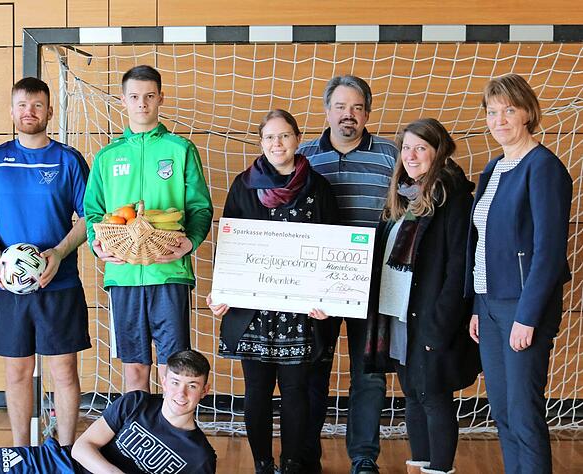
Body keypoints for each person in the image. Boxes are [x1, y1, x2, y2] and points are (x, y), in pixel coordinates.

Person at [206, 109, 339, 474]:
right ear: (261, 142)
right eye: (269, 137)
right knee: (257, 391)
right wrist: (222, 291)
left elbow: (332, 246)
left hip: (300, 312)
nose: (277, 143)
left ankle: (292, 464)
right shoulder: (243, 185)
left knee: (297, 391)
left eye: (284, 136)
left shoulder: (319, 187)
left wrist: (327, 296)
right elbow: (229, 245)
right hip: (254, 311)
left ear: (297, 139)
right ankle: (263, 464)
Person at [0, 76, 91, 447]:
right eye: (22, 105)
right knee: (18, 372)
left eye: (37, 105)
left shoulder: (68, 160)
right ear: (11, 111)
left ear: (49, 111)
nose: (29, 112)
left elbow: (90, 217)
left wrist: (59, 252)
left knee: (63, 372)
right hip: (11, 289)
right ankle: (22, 450)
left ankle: (66, 452)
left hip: (60, 284)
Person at [84, 65, 214, 392]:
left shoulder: (181, 150)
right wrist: (96, 243)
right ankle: (136, 426)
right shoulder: (107, 156)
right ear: (123, 101)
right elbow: (92, 211)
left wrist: (191, 241)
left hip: (168, 272)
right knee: (135, 368)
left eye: (149, 96)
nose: (142, 103)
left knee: (174, 368)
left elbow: (200, 207)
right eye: (134, 97)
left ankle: (171, 426)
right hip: (124, 274)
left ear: (160, 98)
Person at [466, 73, 572, 474]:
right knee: (503, 412)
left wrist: (527, 316)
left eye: (508, 110)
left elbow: (548, 252)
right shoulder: (494, 168)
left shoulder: (544, 168)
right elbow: (483, 243)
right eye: (492, 112)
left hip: (522, 307)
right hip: (489, 306)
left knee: (523, 412)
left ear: (527, 112)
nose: (499, 120)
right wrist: (477, 305)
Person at [362, 118, 481, 474]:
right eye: (407, 148)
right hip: (397, 316)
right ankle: (419, 467)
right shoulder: (402, 198)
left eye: (421, 148)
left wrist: (440, 325)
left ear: (438, 152)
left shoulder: (453, 199)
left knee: (433, 397)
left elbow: (459, 269)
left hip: (429, 319)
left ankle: (440, 469)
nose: (411, 156)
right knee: (413, 396)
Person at [296, 74, 397, 474]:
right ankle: (306, 456)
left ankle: (363, 458)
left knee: (369, 375)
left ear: (367, 113)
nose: (348, 115)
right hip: (317, 287)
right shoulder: (304, 157)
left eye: (356, 107)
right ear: (327, 111)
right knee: (312, 370)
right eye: (340, 106)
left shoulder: (390, 156)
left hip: (372, 286)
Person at [0, 350, 217, 474]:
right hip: (60, 463)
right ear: (164, 381)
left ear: (204, 391)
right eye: (176, 382)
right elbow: (82, 447)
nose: (181, 393)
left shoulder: (199, 457)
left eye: (192, 386)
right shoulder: (137, 404)